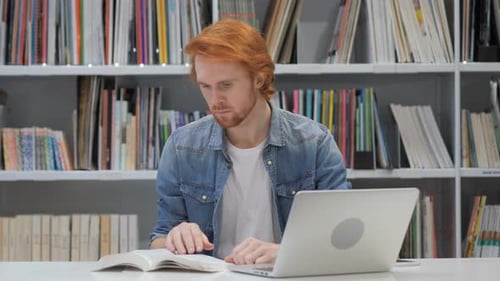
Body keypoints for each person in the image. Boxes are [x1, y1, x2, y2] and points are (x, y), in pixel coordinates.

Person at [150, 19, 351, 265]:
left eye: (226, 85)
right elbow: (159, 237)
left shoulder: (314, 143)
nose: (215, 100)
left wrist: (286, 252)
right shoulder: (182, 146)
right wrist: (173, 237)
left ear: (259, 78)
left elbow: (342, 238)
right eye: (205, 86)